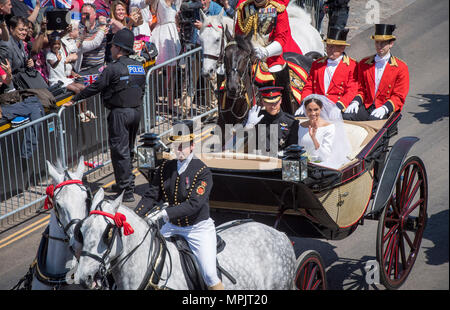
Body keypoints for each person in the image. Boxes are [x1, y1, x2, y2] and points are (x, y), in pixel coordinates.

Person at [134, 119, 224, 290]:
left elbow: (194, 205)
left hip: (197, 229)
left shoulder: (202, 172)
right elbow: (151, 195)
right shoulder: (164, 169)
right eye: (176, 145)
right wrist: (135, 217)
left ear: (192, 146)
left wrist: (165, 213)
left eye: (183, 145)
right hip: (172, 227)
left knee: (210, 275)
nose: (179, 150)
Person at [65, 28, 146, 202]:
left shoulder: (113, 68)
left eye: (113, 46)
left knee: (119, 152)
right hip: (136, 112)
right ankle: (125, 182)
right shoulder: (139, 66)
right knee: (128, 150)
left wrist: (76, 99)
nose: (110, 49)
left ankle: (126, 190)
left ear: (118, 47)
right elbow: (142, 89)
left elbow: (96, 87)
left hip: (120, 114)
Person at [235, 0, 302, 115]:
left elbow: (282, 39)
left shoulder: (278, 10)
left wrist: (266, 51)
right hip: (248, 57)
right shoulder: (244, 9)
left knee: (278, 71)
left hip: (271, 58)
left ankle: (287, 112)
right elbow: (238, 34)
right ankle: (227, 113)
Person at [343, 24, 409, 121]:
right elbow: (361, 89)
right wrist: (355, 102)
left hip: (385, 107)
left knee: (373, 123)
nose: (379, 46)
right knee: (346, 117)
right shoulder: (364, 63)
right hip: (367, 105)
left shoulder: (401, 67)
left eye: (383, 43)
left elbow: (399, 96)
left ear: (391, 43)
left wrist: (385, 108)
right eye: (377, 42)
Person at [298, 27, 357, 115]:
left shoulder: (352, 66)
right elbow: (309, 86)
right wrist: (305, 103)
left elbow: (351, 90)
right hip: (315, 106)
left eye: (333, 47)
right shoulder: (317, 64)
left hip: (335, 106)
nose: (329, 50)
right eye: (328, 46)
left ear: (342, 48)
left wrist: (340, 106)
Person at [298, 94, 350, 169]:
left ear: (321, 108)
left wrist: (314, 138)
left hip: (321, 166)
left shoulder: (329, 127)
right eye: (309, 110)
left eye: (316, 109)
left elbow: (325, 156)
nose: (313, 113)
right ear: (305, 109)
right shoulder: (301, 126)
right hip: (302, 164)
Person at [244, 86, 298, 154]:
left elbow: (293, 150)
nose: (273, 106)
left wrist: (283, 154)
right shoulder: (254, 118)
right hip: (257, 161)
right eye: (269, 102)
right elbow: (237, 144)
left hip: (279, 162)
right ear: (263, 102)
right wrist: (248, 126)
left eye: (276, 102)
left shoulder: (291, 122)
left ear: (280, 100)